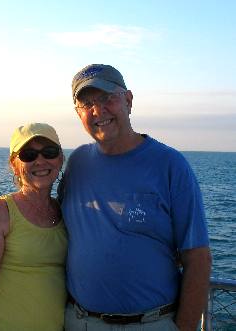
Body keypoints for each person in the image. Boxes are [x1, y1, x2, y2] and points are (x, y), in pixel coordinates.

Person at [58, 64, 212, 331]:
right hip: (80, 322)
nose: (98, 111)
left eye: (108, 98)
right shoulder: (77, 164)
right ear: (78, 113)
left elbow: (198, 257)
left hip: (152, 323)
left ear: (128, 100)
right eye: (87, 104)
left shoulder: (170, 165)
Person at [0, 123, 67, 331]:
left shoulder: (64, 210)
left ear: (60, 158)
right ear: (14, 164)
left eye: (49, 152)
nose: (40, 161)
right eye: (29, 154)